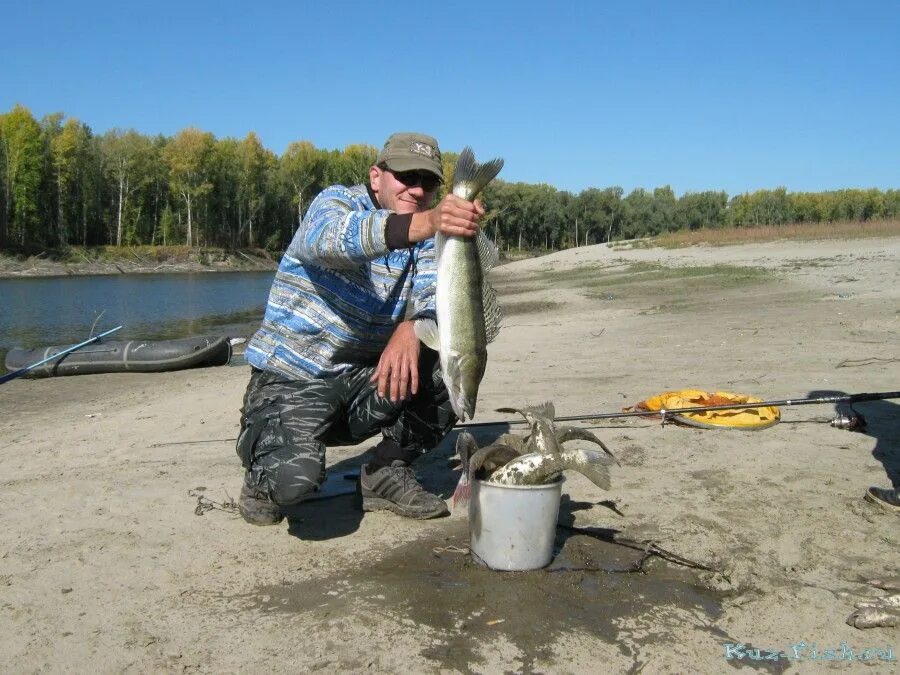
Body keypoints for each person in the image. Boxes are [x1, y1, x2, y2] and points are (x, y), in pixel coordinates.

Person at [235, 132, 485, 526]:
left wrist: (411, 327)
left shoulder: (425, 237)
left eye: (429, 182)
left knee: (446, 358)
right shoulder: (334, 204)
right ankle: (263, 468)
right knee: (293, 485)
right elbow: (332, 240)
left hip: (362, 382)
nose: (417, 190)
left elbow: (435, 293)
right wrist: (428, 222)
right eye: (407, 176)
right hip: (294, 380)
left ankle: (385, 471)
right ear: (376, 177)